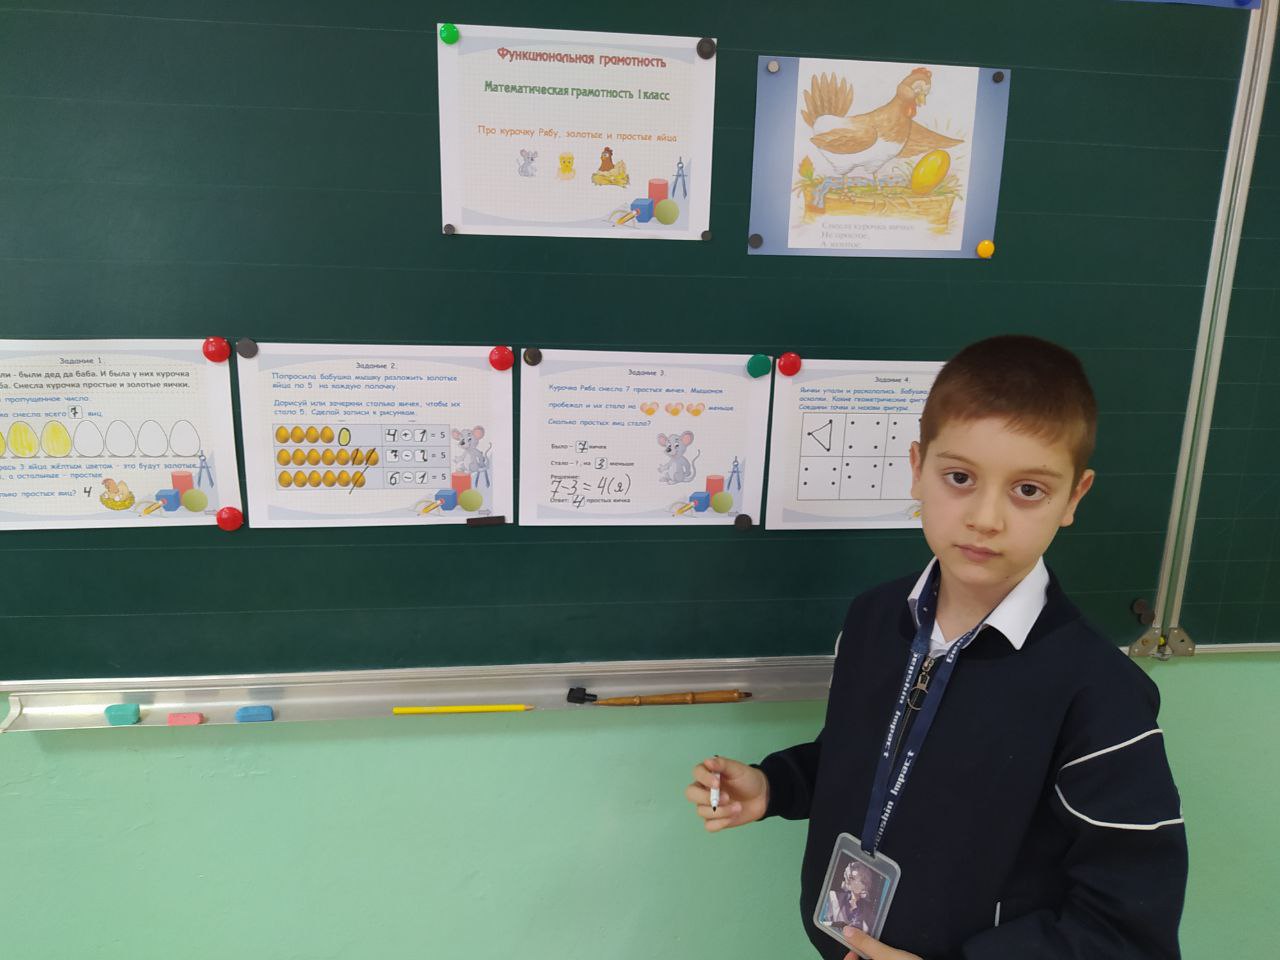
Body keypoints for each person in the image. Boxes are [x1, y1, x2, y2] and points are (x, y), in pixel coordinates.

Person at [684, 336, 1188, 959]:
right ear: (917, 467)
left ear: (1073, 498)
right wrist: (775, 786)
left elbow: (1128, 930)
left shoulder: (1099, 693)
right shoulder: (875, 619)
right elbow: (865, 755)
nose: (986, 518)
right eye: (960, 478)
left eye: (1028, 490)